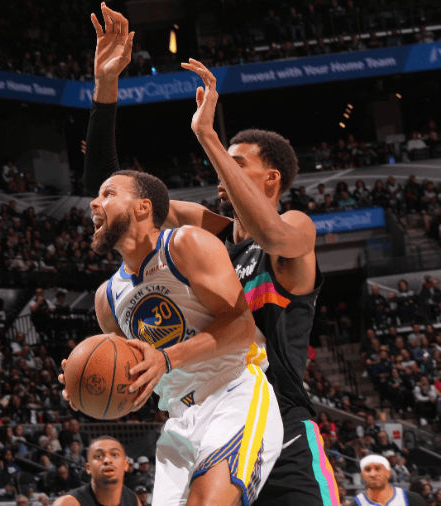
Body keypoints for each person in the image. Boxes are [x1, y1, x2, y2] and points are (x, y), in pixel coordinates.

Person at [81, 5, 337, 506]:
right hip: (213, 413)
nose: (220, 171)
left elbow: (272, 235)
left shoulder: (295, 230)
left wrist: (208, 135)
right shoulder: (209, 234)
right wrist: (105, 88)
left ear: (271, 179)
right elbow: (116, 197)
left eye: (236, 163)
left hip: (282, 422)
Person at [63, 164, 282, 505]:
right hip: (179, 419)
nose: (93, 203)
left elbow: (241, 327)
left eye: (108, 194)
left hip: (232, 392)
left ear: (143, 207)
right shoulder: (107, 298)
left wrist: (166, 359)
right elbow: (134, 377)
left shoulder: (185, 243)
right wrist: (87, 389)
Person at [52, 436, 140, 506]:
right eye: (98, 456)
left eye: (114, 454)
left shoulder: (133, 500)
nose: (107, 460)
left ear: (126, 465)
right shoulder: (68, 503)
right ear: (88, 468)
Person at [354, 455, 426, 505]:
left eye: (378, 469)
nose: (373, 474)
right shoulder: (357, 502)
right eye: (368, 470)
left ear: (388, 473)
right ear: (362, 475)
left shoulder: (411, 498)